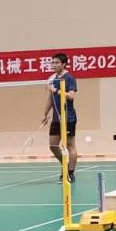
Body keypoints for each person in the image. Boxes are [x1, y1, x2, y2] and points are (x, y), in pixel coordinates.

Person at [42, 53, 78, 183]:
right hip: (56, 118)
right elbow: (50, 98)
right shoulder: (52, 79)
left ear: (64, 64)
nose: (54, 65)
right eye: (52, 63)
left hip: (68, 117)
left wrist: (55, 90)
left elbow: (71, 96)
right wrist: (45, 113)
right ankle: (65, 165)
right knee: (53, 145)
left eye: (57, 62)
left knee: (69, 145)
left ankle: (70, 173)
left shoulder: (69, 78)